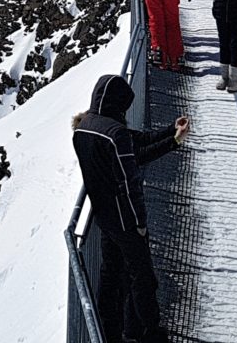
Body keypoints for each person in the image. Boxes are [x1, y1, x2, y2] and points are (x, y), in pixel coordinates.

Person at [72, 74, 190, 343]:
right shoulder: (115, 134)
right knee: (143, 279)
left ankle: (109, 332)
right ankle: (150, 333)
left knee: (111, 275)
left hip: (103, 217)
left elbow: (135, 143)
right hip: (126, 219)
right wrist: (139, 223)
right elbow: (131, 179)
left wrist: (171, 132)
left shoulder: (84, 128)